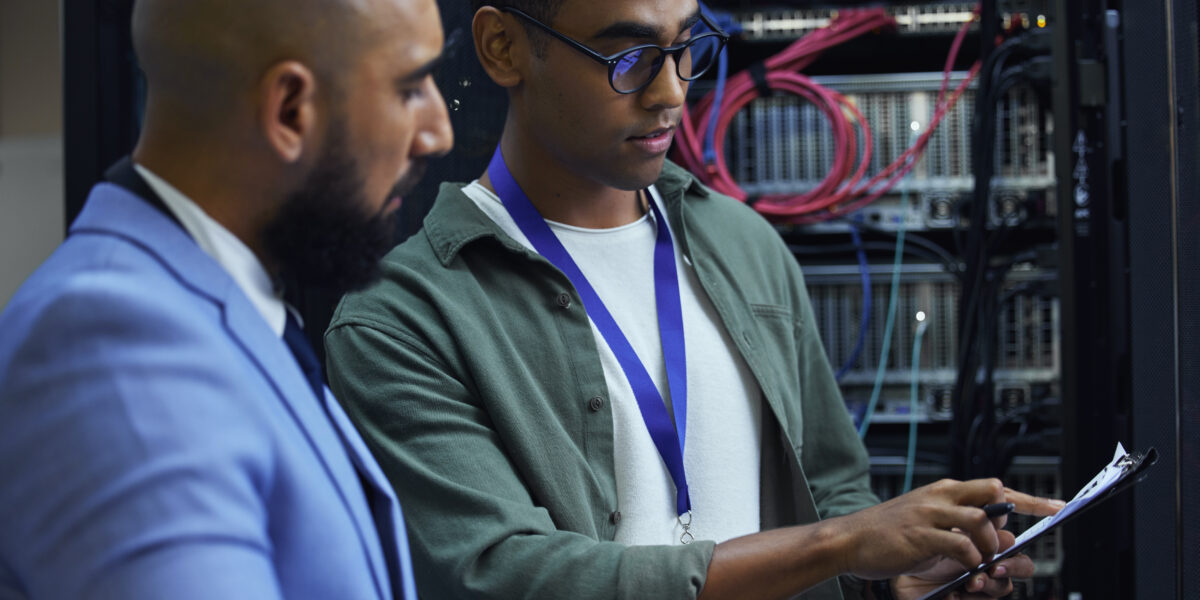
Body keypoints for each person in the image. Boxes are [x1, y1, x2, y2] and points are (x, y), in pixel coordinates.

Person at [324, 0, 1061, 598]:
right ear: (503, 48)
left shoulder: (741, 243)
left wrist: (894, 575)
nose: (672, 90)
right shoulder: (400, 321)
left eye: (686, 47)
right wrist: (841, 544)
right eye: (628, 57)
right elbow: (511, 576)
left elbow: (834, 489)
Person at [0, 0, 452, 597]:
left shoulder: (220, 305)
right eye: (411, 87)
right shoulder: (113, 351)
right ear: (290, 109)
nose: (439, 133)